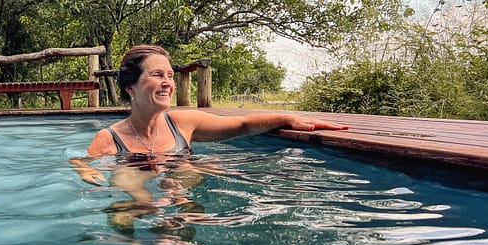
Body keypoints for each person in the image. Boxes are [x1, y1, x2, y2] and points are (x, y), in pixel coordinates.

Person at [87, 44, 348, 160]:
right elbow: (85, 168)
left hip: (180, 198)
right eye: (157, 75)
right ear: (130, 86)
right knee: (129, 181)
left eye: (170, 75)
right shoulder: (109, 139)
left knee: (188, 173)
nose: (168, 82)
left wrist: (288, 118)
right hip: (135, 203)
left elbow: (243, 124)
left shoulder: (182, 122)